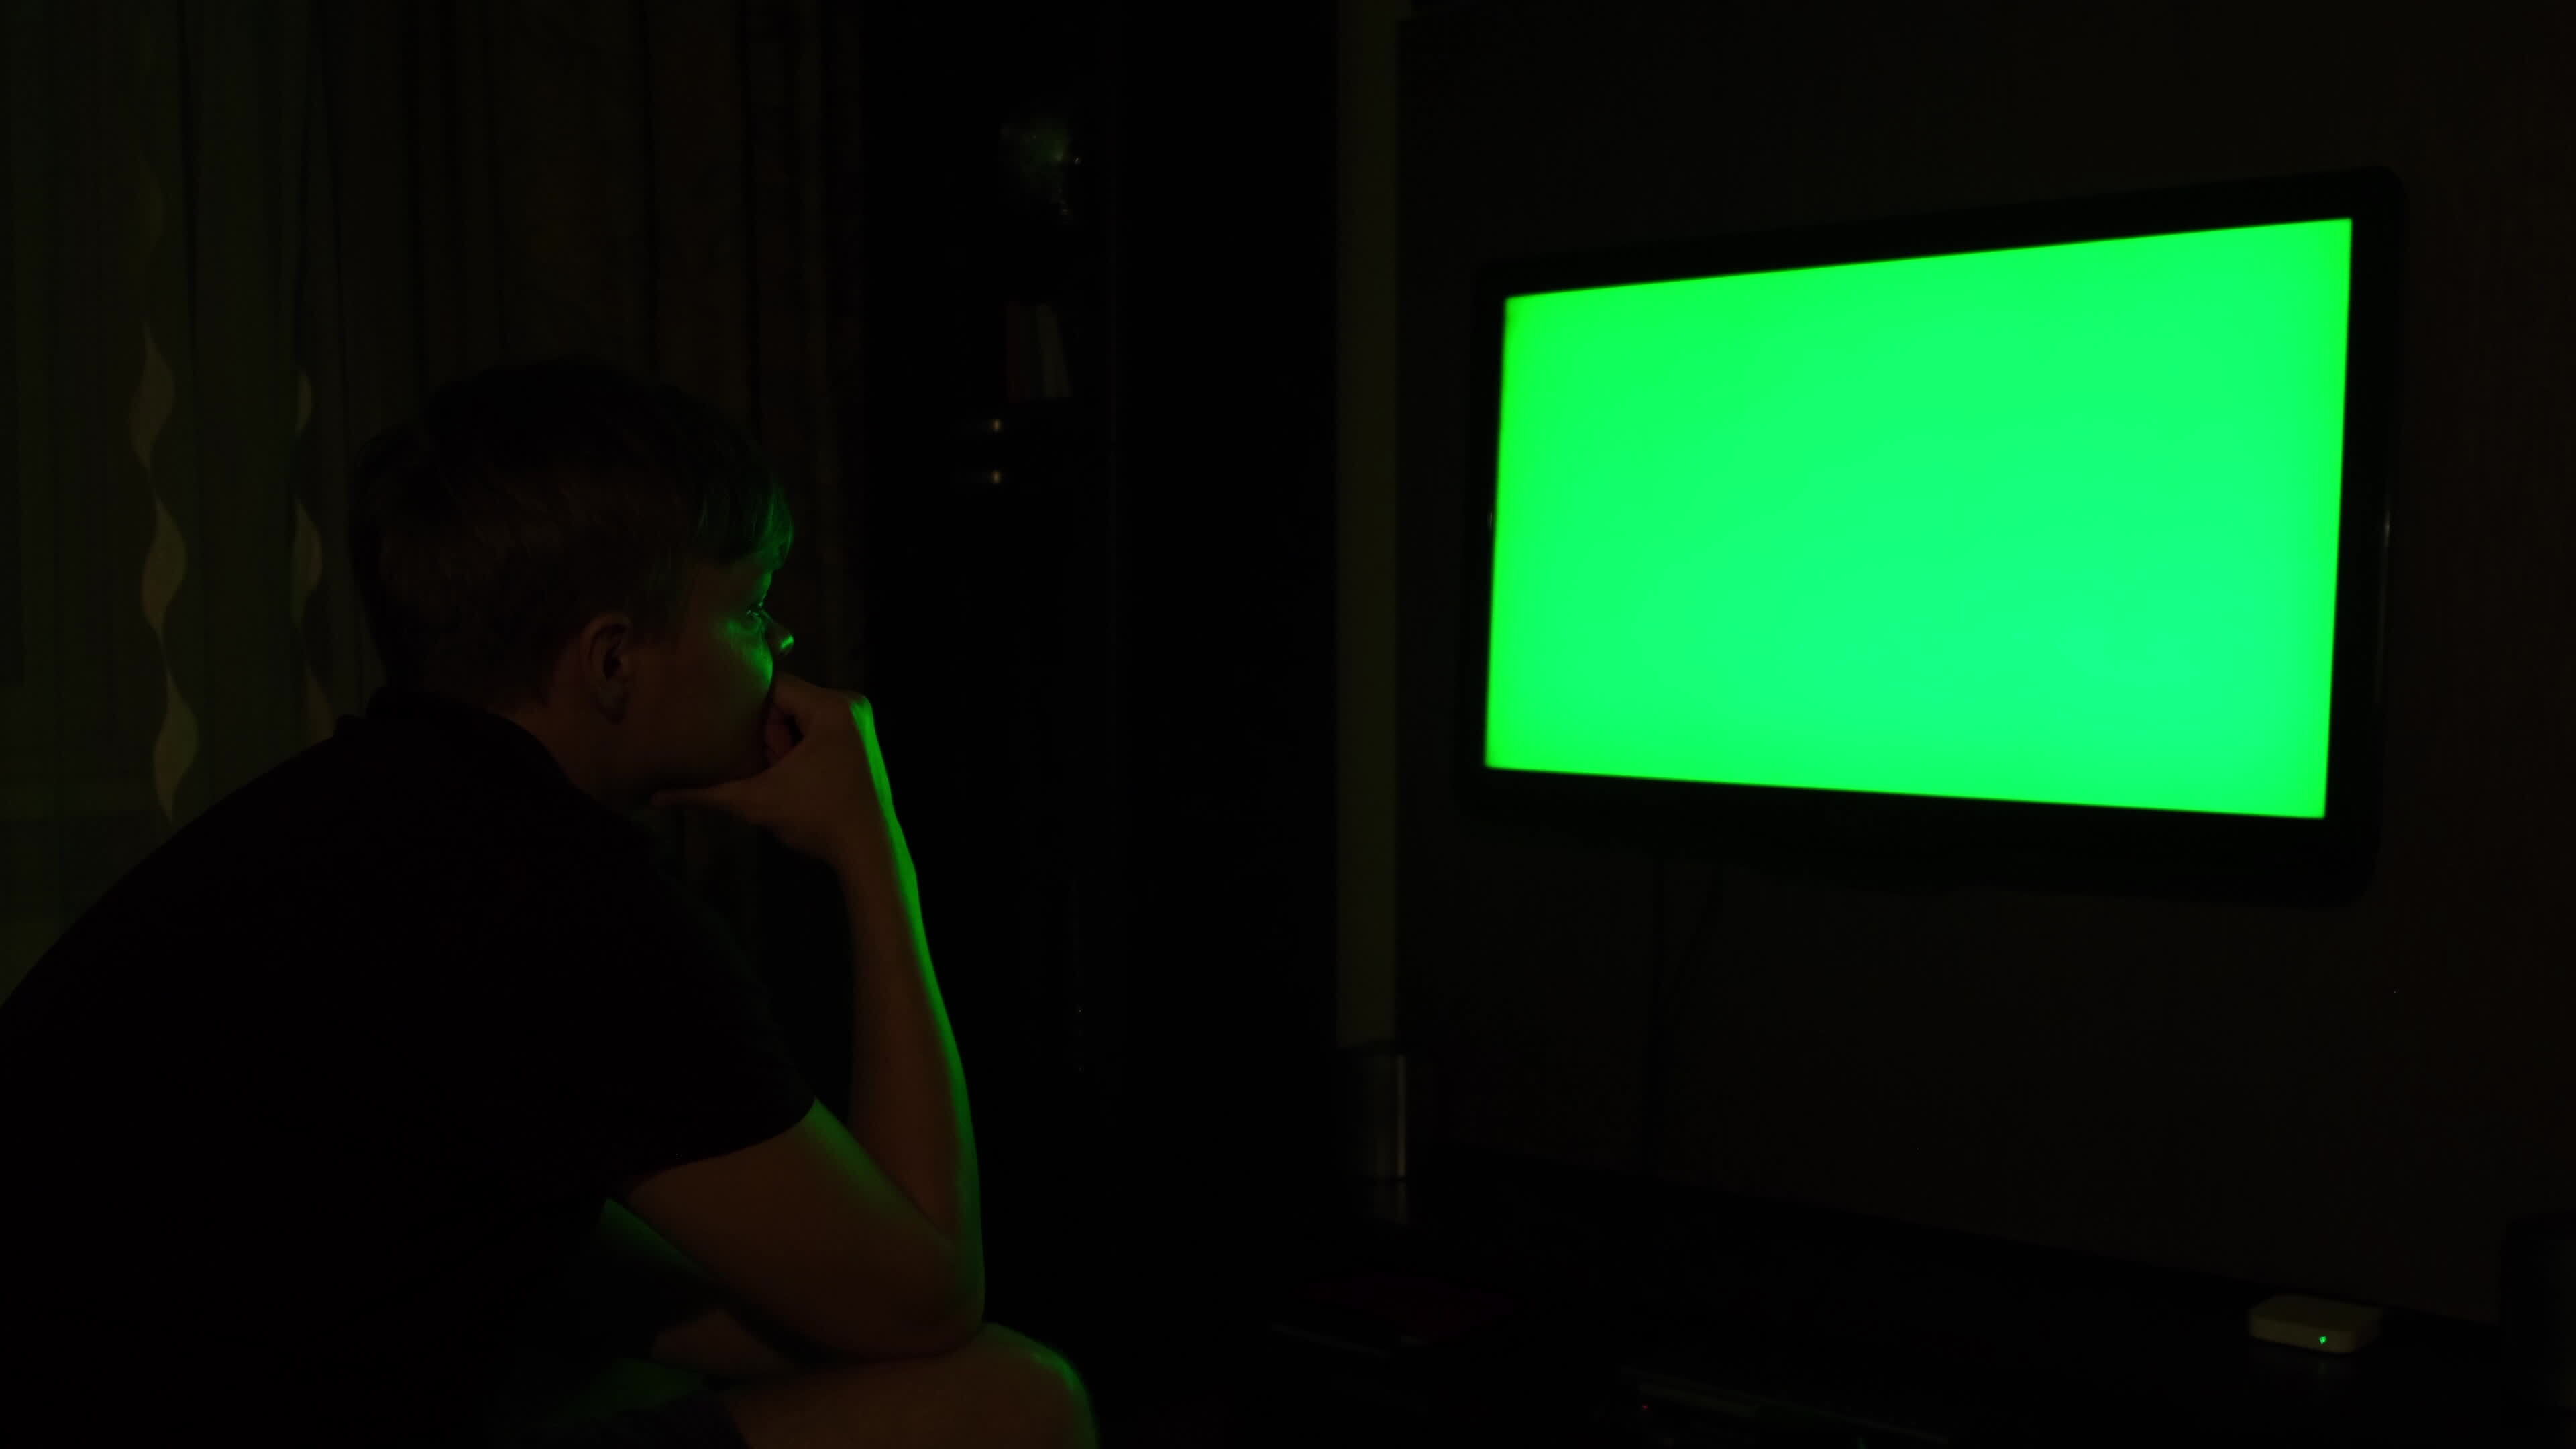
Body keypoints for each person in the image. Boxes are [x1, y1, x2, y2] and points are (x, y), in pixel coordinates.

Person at [0, 356, 1093, 1448]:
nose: (784, 649)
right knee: (1012, 1400)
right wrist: (873, 850)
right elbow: (927, 1302)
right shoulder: (551, 896)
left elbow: (626, 1284)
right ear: (613, 660)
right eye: (753, 608)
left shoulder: (364, 815)